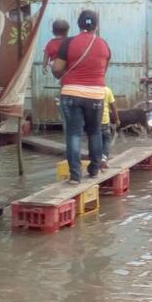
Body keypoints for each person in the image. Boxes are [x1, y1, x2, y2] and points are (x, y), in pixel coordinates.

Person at [52, 10, 111, 184]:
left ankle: (75, 176)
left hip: (71, 93)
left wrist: (64, 76)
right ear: (96, 25)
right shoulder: (104, 45)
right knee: (95, 132)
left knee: (73, 134)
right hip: (95, 94)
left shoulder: (68, 43)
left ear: (78, 24)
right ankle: (94, 170)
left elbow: (56, 69)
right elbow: (102, 71)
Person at [101, 85, 118, 165]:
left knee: (95, 140)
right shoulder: (107, 90)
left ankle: (97, 160)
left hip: (93, 121)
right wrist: (117, 119)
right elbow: (113, 107)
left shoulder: (91, 89)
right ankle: (104, 159)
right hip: (105, 120)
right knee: (106, 140)